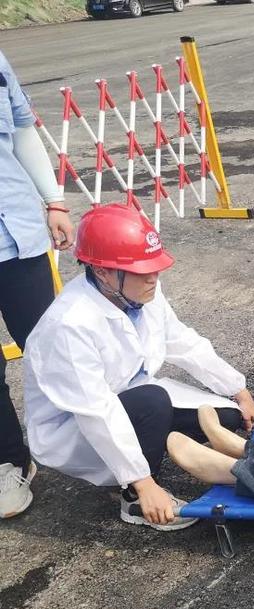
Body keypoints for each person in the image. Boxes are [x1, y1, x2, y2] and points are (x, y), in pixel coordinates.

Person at [23, 205, 254, 531]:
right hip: (75, 427)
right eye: (141, 270)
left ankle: (165, 450)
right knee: (151, 401)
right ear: (102, 272)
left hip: (132, 398)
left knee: (228, 415)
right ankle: (134, 500)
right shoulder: (69, 324)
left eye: (155, 268)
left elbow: (181, 341)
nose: (153, 277)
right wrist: (143, 482)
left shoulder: (138, 291)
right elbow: (96, 411)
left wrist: (238, 390)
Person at [0, 50, 75, 519]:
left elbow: (22, 128)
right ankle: (8, 460)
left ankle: (96, 443)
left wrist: (54, 200)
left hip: (18, 234)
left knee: (52, 348)